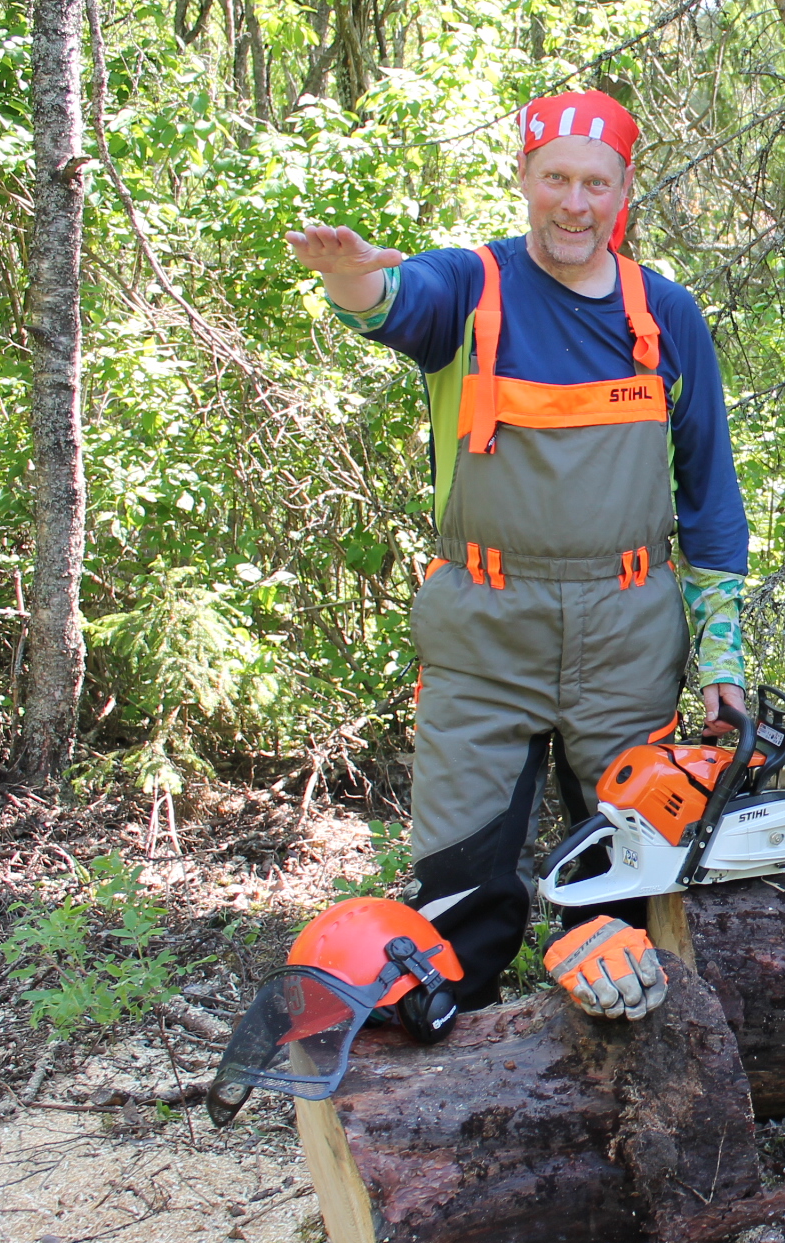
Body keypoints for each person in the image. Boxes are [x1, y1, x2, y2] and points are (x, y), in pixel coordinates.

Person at [286, 89, 745, 1021]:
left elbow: (710, 498)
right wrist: (349, 281)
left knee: (630, 885)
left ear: (624, 191)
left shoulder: (665, 314)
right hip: (482, 639)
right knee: (461, 894)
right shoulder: (469, 288)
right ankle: (457, 1076)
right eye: (556, 178)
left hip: (626, 638)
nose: (575, 204)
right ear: (524, 178)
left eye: (595, 184)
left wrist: (724, 660)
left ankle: (618, 1075)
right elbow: (391, 302)